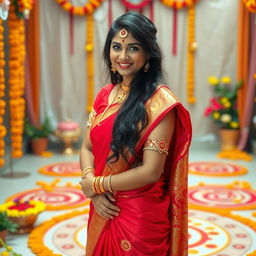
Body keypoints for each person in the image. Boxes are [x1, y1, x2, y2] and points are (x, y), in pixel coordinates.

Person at [79, 12, 192, 256]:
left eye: (133, 48)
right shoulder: (103, 96)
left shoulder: (160, 104)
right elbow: (86, 147)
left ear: (148, 54)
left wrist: (96, 185)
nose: (123, 56)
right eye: (116, 47)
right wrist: (91, 183)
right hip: (102, 206)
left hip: (138, 218)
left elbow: (151, 171)